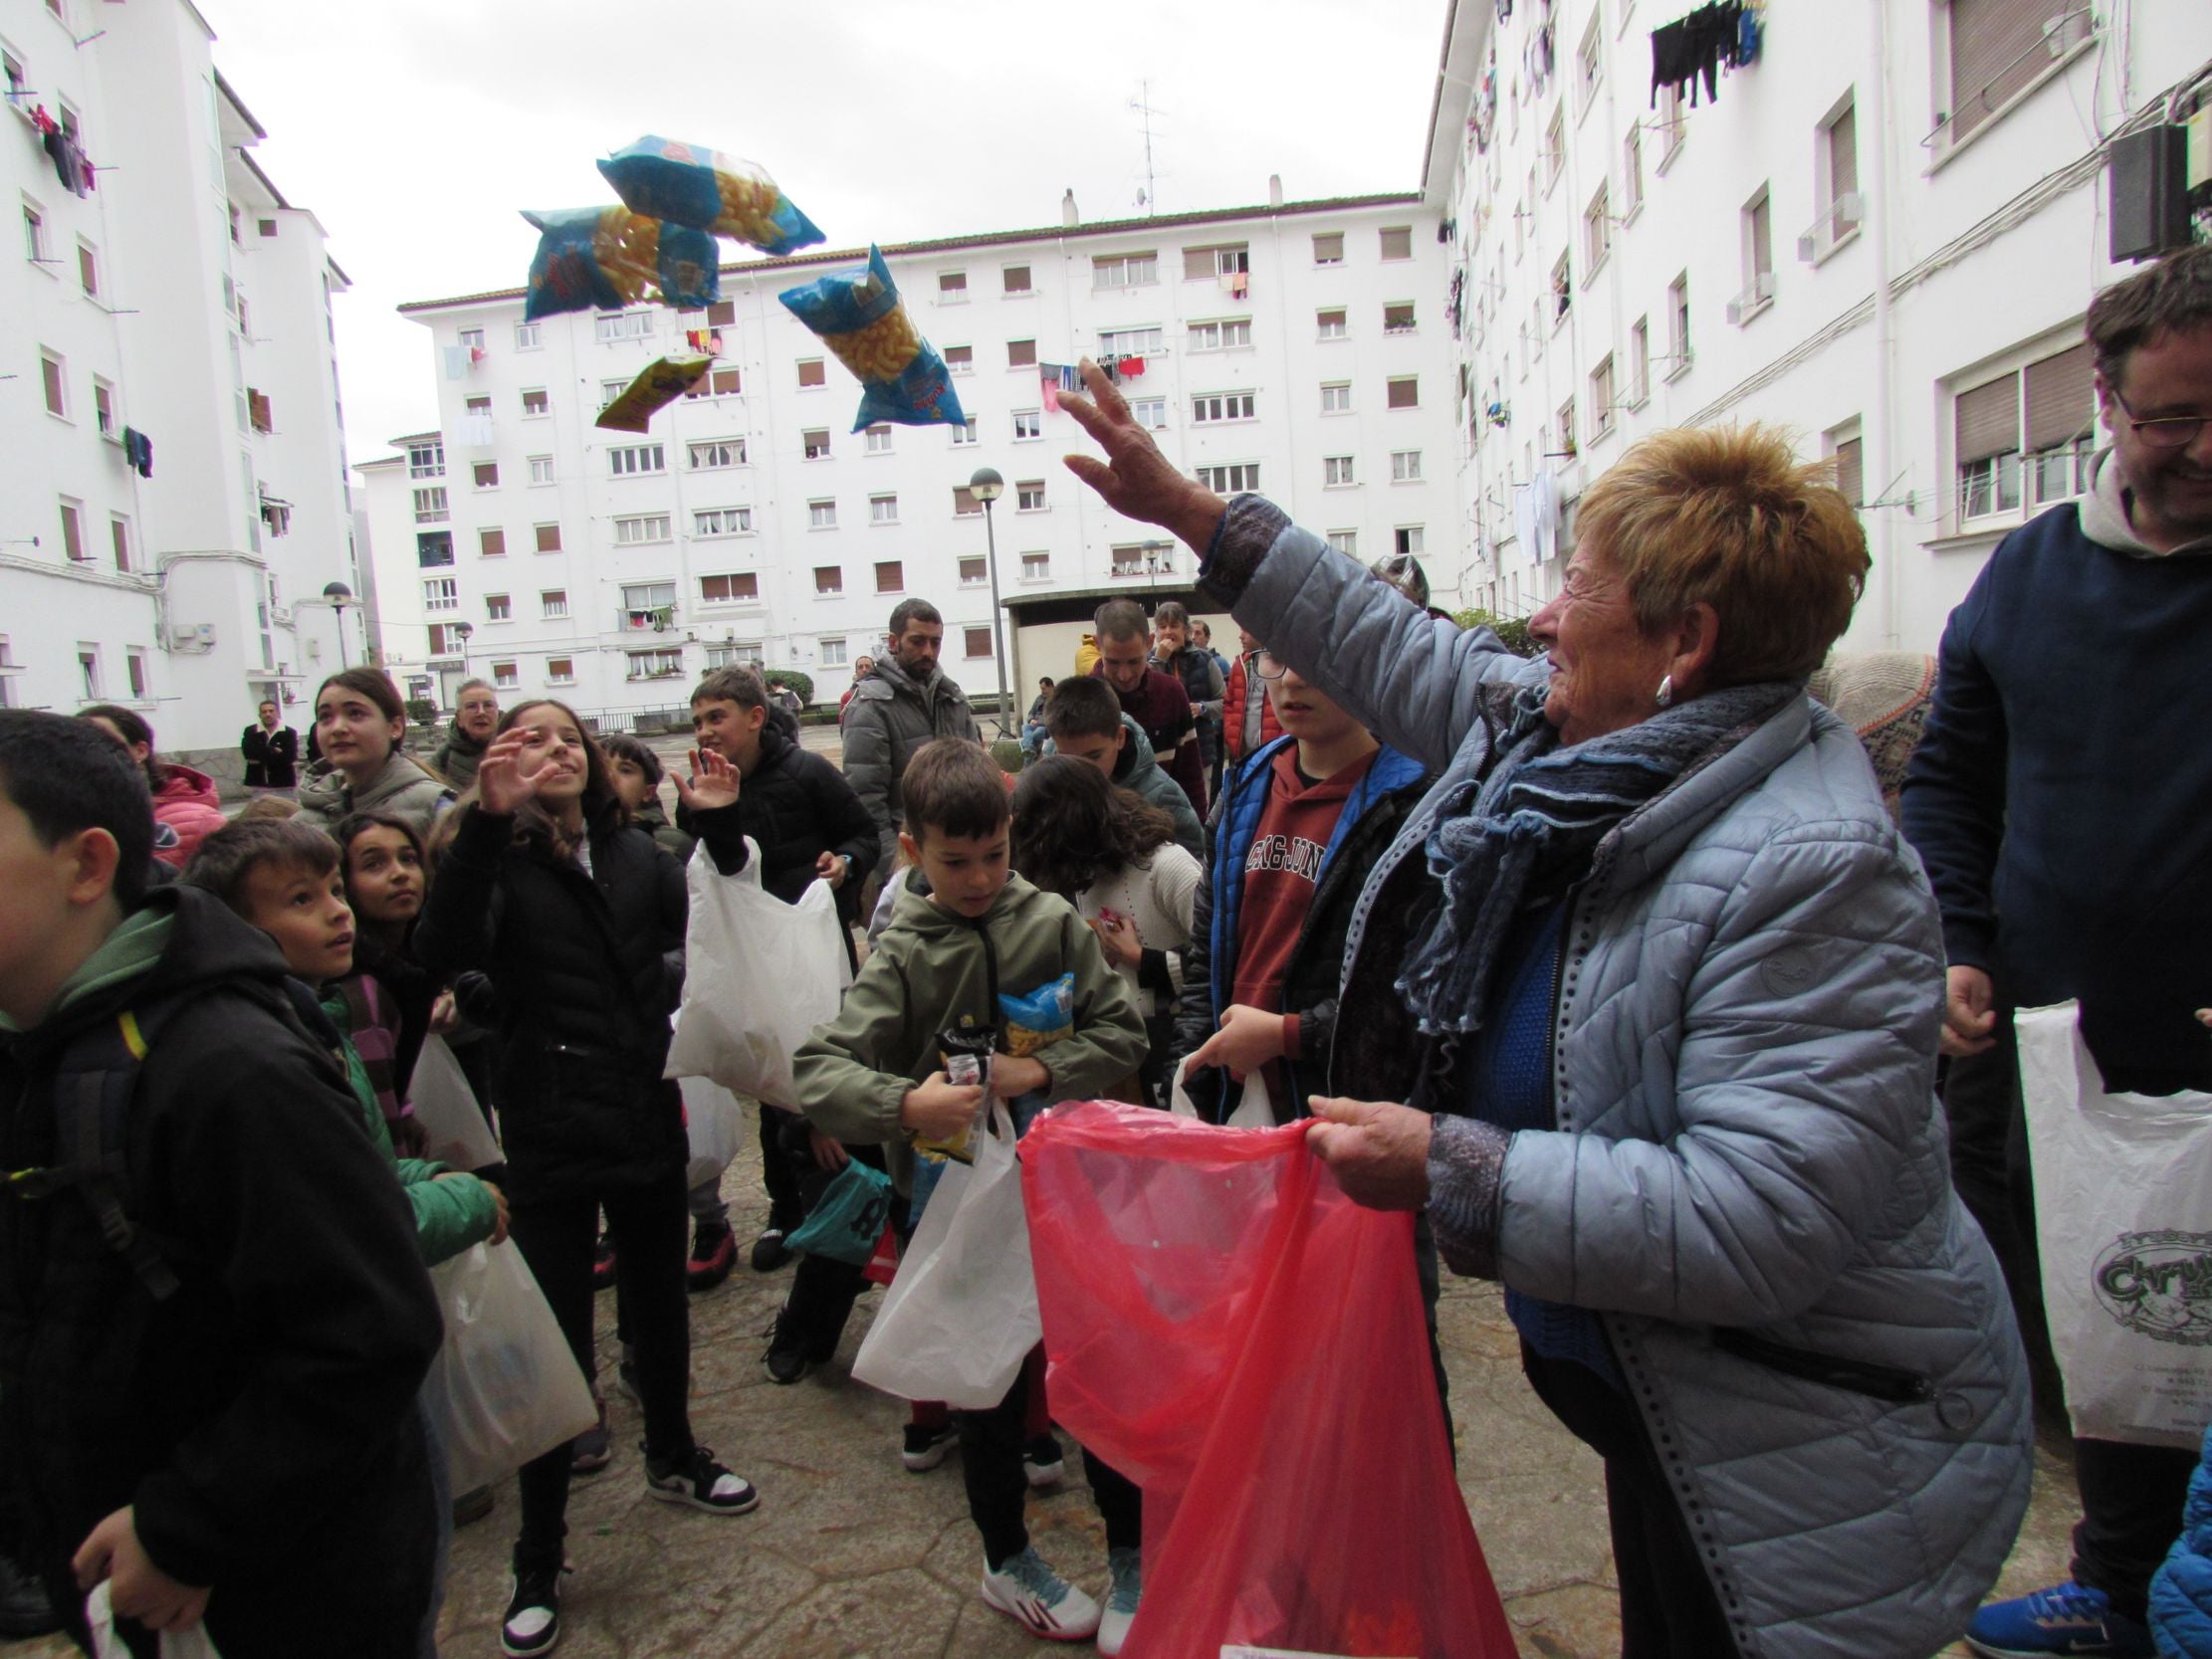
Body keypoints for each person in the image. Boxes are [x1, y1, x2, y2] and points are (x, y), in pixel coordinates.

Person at [1061, 360, 2034, 1659]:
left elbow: (1761, 1215)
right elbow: (1389, 641)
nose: (1539, 614)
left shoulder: (1813, 869)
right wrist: (1190, 510)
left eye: (1576, 587)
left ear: (1683, 643)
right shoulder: (1568, 744)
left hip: (1796, 1449)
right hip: (1664, 1396)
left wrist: (1454, 1165)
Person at [1901, 246, 2212, 1659]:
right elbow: (1949, 779)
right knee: (2104, 1328)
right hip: (2049, 1052)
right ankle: (2114, 1582)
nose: (2204, 448)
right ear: (2105, 402)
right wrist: (1956, 944)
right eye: (2172, 418)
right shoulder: (2026, 572)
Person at [0, 710, 446, 1659]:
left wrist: (188, 1522)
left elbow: (368, 1329)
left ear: (87, 864)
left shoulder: (228, 1069)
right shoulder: (35, 1048)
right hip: (116, 1571)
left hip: (277, 1593)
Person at [414, 700, 758, 1659]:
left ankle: (674, 1454)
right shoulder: (497, 859)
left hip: (643, 1108)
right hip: (550, 1128)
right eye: (533, 739)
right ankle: (539, 1552)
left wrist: (720, 825)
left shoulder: (639, 854)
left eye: (571, 738)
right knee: (557, 1338)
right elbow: (441, 950)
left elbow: (723, 918)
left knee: (661, 1304)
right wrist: (485, 826)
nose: (557, 751)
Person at [792, 739, 1148, 1649]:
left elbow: (1122, 1032)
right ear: (913, 849)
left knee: (1097, 1370)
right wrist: (903, 1103)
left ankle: (1133, 1554)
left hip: (1066, 1190)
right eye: (956, 861)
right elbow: (818, 1070)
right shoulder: (903, 951)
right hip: (954, 1204)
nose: (981, 877)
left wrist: (1040, 1072)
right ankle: (1007, 1558)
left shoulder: (1053, 922)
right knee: (983, 1385)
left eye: (995, 853)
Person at [1174, 653, 1431, 1128]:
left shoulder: (1414, 805)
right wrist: (1193, 1083)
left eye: (1311, 653)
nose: (1292, 678)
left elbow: (1416, 990)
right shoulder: (1245, 787)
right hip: (1238, 1099)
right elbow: (1206, 959)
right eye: (1276, 655)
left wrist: (1287, 1035)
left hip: (1344, 1110)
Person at [682, 665, 878, 1287]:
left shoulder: (808, 772)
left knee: (827, 1069)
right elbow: (707, 862)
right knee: (771, 1080)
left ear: (756, 717)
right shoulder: (705, 786)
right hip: (752, 958)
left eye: (717, 717)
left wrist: (845, 863)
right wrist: (708, 813)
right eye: (697, 721)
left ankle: (845, 1200)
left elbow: (862, 833)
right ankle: (783, 1210)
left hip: (815, 952)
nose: (706, 731)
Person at [1009, 755, 1199, 1110]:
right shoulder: (1084, 875)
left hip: (1179, 1052)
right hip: (1126, 1059)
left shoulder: (1168, 867)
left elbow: (1227, 965)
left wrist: (1142, 958)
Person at [842, 600, 983, 895]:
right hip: (907, 869)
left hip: (962, 860)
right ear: (894, 642)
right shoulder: (870, 707)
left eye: (935, 642)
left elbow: (979, 779)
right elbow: (866, 803)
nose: (928, 651)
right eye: (918, 641)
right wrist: (897, 875)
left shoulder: (952, 699)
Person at [1041, 677, 1203, 858]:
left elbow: (1194, 864)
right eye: (1068, 759)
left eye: (1093, 757)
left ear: (1120, 737)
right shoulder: (1044, 789)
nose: (1081, 771)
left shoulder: (1162, 796)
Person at [295, 669, 451, 840]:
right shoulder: (302, 823)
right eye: (325, 716)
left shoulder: (436, 810)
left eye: (355, 713)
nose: (337, 728)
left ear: (395, 727)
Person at [1090, 599, 1206, 818]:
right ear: (1097, 644)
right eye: (1113, 662)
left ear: (1150, 642)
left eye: (1134, 662)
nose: (1124, 675)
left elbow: (1191, 779)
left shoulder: (1171, 693)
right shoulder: (1081, 702)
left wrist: (1199, 832)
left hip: (1165, 831)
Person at [80, 707, 225, 868]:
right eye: (79, 745)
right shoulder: (75, 823)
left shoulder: (202, 822)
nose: (90, 753)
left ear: (141, 750)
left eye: (104, 742)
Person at [1150, 602, 1223, 802]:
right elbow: (1145, 696)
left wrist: (1202, 708)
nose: (1168, 631)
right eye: (1162, 626)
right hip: (1160, 753)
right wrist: (1159, 660)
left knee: (1197, 806)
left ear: (1185, 630)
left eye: (1174, 625)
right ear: (1156, 632)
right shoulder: (1148, 662)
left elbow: (1225, 702)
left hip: (1200, 752)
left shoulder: (1205, 660)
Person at [600, 733, 696, 864]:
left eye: (625, 770)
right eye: (601, 768)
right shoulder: (578, 837)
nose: (609, 777)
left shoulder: (672, 845)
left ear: (648, 792)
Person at [1219, 626, 1284, 772]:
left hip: (1273, 752)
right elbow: (1229, 703)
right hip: (1243, 753)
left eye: (1246, 630)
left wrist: (1282, 741)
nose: (1241, 636)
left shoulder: (1282, 664)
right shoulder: (1240, 664)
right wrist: (1230, 732)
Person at [432, 680, 500, 793]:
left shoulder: (518, 750)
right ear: (459, 718)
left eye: (488, 705)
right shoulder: (441, 761)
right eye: (472, 706)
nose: (481, 712)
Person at [1192, 622, 1231, 799]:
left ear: (1207, 637)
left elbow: (1226, 699)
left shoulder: (1219, 663)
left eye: (1198, 633)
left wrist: (1217, 724)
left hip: (1214, 732)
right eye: (1191, 633)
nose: (1193, 637)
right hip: (1195, 734)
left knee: (1214, 783)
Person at [240, 700, 299, 792]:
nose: (268, 714)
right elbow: (248, 753)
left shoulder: (289, 732)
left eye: (271, 711)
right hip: (258, 782)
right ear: (259, 715)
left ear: (277, 713)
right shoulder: (250, 731)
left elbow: (290, 757)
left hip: (284, 782)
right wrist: (274, 750)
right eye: (264, 712)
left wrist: (261, 752)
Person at [1018, 678, 1055, 761]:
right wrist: (1031, 719)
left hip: (1046, 727)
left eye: (1044, 689)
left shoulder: (1056, 699)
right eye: (1041, 689)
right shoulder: (1040, 698)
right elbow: (1031, 712)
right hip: (1035, 724)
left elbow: (1053, 717)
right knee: (1025, 727)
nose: (1042, 691)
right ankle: (1029, 748)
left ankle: (1029, 748)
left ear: (1051, 687)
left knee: (1037, 732)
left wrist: (1039, 722)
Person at [837, 656, 876, 725]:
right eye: (860, 667)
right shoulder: (847, 697)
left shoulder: (883, 693)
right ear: (856, 672)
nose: (864, 670)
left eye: (868, 666)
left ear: (874, 670)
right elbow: (843, 724)